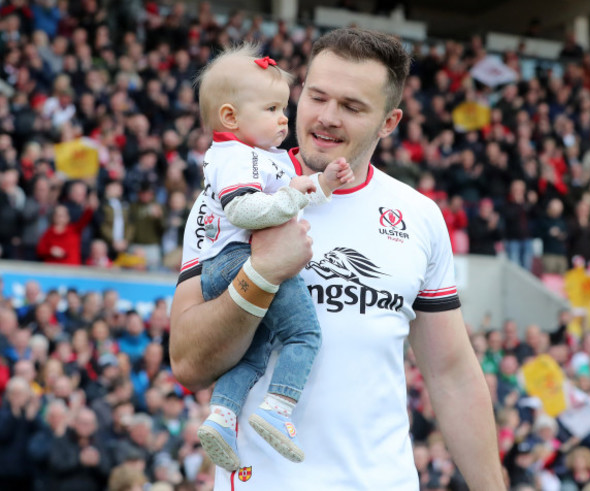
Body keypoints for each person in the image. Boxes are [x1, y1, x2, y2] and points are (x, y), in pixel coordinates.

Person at [170, 27, 503, 490]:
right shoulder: (232, 194)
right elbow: (188, 363)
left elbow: (452, 376)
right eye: (317, 96)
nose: (326, 117)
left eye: (351, 106)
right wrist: (261, 274)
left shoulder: (419, 215)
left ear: (389, 122)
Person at [192, 44, 353, 471]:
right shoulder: (237, 156)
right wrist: (287, 200)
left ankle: (223, 417)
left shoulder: (263, 156)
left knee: (253, 352)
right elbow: (243, 208)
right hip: (241, 261)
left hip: (231, 265)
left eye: (284, 107)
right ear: (230, 118)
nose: (285, 118)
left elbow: (296, 199)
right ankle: (278, 409)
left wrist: (324, 184)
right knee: (304, 336)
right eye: (271, 108)